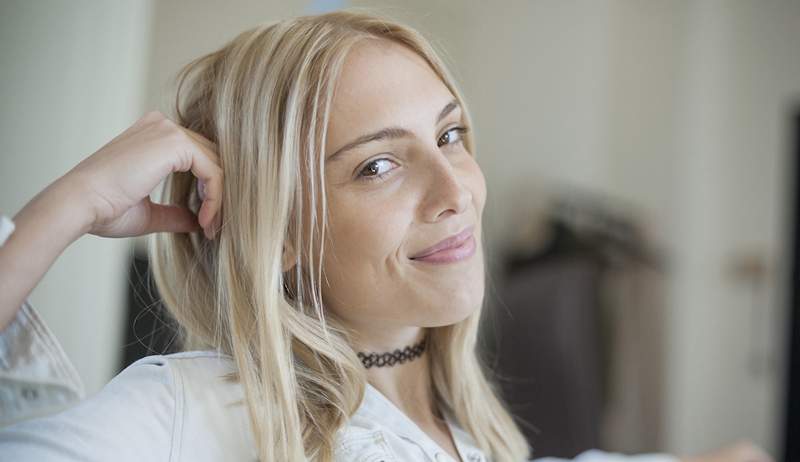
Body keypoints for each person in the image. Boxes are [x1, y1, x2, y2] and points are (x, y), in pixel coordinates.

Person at [0, 9, 773, 462]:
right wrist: (64, 208)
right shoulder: (191, 410)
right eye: (377, 166)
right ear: (282, 234)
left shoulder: (473, 439)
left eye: (451, 135)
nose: (455, 193)